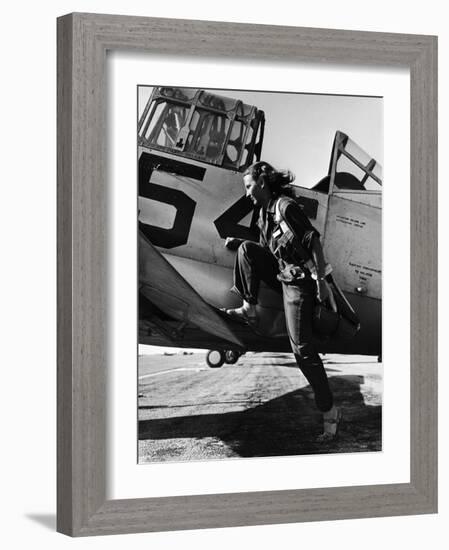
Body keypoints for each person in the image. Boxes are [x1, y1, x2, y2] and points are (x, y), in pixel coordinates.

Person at [224, 161, 341, 441]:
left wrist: (322, 284)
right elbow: (266, 251)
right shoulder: (263, 215)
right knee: (246, 250)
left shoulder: (285, 207)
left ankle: (330, 411)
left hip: (299, 283)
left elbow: (314, 241)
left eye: (250, 186)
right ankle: (249, 307)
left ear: (262, 183)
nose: (248, 193)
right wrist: (238, 241)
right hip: (281, 274)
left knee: (302, 350)